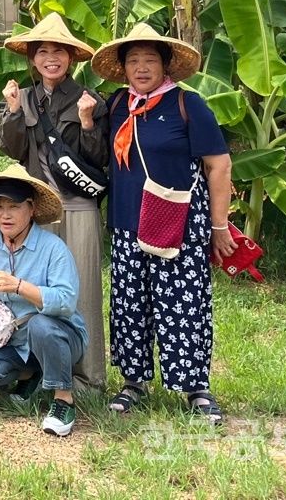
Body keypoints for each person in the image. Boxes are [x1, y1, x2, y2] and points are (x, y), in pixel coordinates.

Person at [91, 23, 234, 426]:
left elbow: (219, 165)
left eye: (149, 60)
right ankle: (133, 381)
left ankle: (195, 387)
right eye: (133, 60)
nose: (140, 67)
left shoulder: (188, 105)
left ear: (166, 65)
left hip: (180, 224)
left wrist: (219, 226)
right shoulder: (117, 104)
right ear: (123, 67)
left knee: (183, 305)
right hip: (126, 224)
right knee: (130, 304)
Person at [0, 13, 110, 392]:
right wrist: (13, 112)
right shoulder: (24, 98)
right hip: (38, 208)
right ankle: (39, 373)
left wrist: (88, 122)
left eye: (59, 51)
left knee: (82, 291)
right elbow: (13, 150)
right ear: (32, 58)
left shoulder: (89, 99)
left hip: (78, 207)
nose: (51, 58)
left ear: (71, 58)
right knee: (33, 291)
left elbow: (98, 160)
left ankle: (88, 377)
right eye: (42, 51)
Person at [0, 165, 87, 437]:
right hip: (12, 341)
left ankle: (63, 400)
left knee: (41, 325)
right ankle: (32, 374)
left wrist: (20, 287)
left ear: (31, 208)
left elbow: (66, 301)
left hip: (60, 335)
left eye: (13, 206)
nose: (5, 215)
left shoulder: (53, 248)